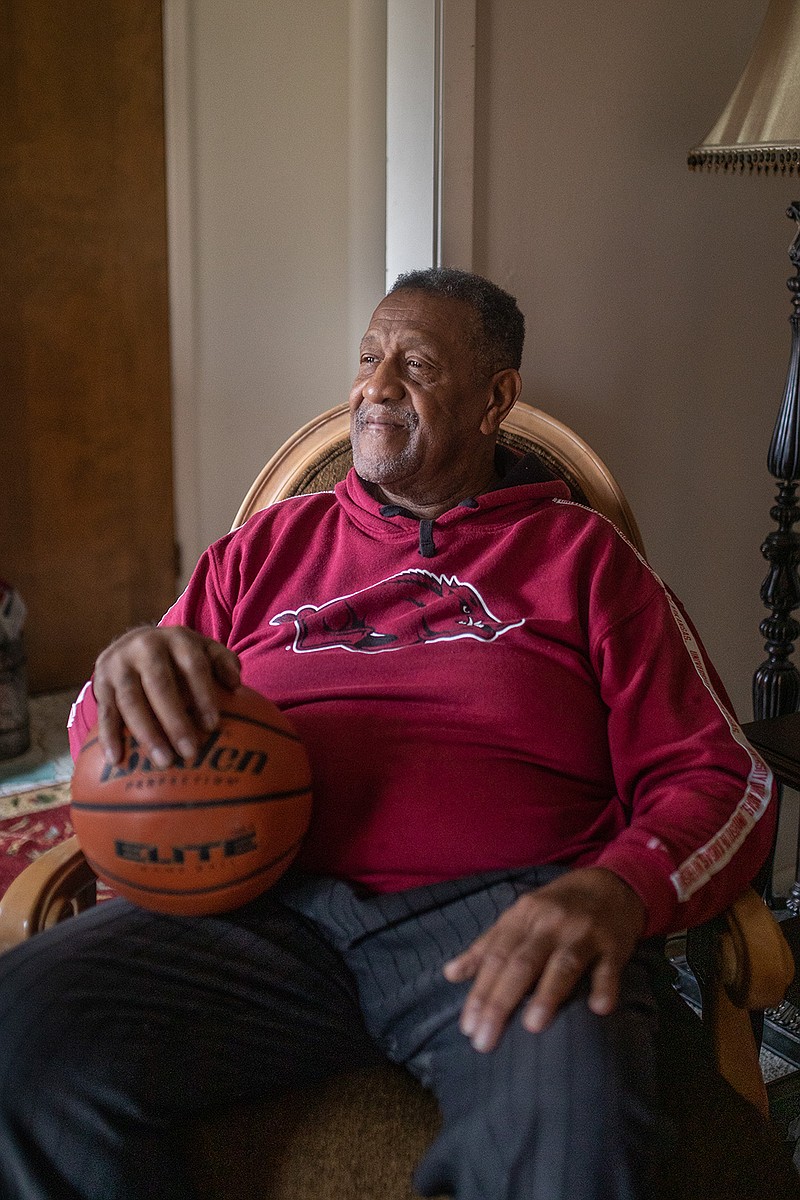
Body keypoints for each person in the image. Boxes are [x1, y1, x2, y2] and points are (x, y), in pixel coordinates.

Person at [0, 269, 795, 1200]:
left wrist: (618, 893)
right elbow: (109, 735)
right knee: (22, 1035)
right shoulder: (258, 553)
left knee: (571, 1134)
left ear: (498, 397)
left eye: (414, 364)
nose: (374, 387)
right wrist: (124, 671)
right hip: (249, 912)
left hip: (503, 920)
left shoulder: (585, 562)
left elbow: (721, 774)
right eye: (369, 358)